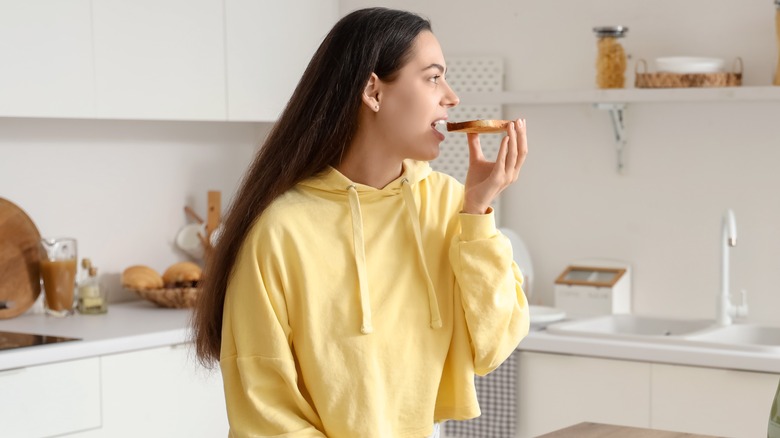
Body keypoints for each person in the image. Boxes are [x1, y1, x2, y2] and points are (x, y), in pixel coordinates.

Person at [192, 7, 530, 438]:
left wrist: (478, 213)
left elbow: (496, 342)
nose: (451, 96)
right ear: (373, 91)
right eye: (432, 77)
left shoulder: (451, 204)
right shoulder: (280, 230)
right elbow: (265, 413)